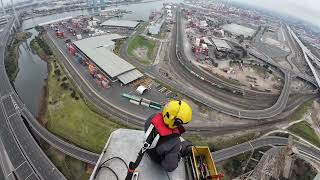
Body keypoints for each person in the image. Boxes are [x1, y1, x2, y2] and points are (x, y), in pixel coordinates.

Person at [144, 100, 193, 172]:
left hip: (148, 150)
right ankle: (187, 147)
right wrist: (177, 156)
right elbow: (169, 167)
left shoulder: (153, 118)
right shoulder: (174, 142)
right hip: (157, 158)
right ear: (176, 122)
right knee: (185, 146)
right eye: (180, 123)